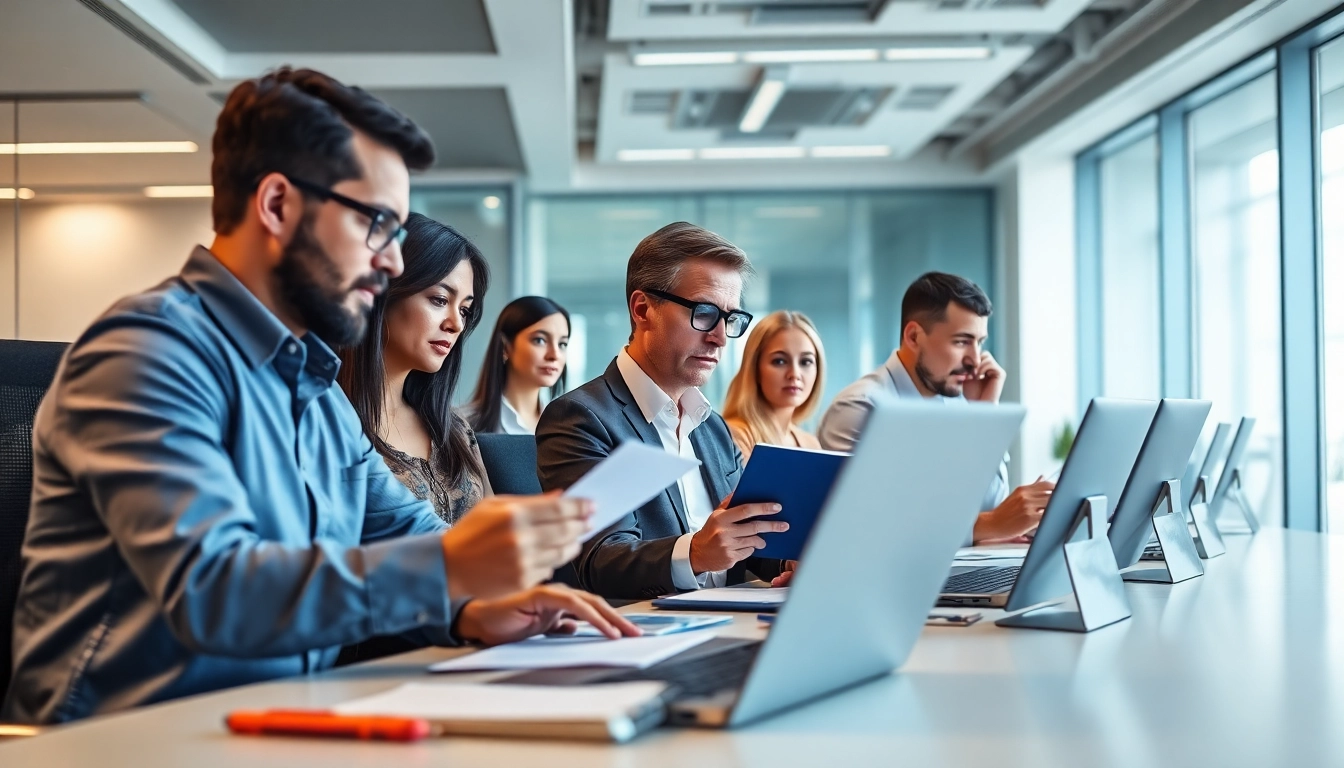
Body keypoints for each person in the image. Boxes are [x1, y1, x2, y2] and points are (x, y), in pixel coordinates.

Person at [2, 68, 635, 726]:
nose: (392, 261)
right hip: (130, 741)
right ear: (277, 205)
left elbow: (402, 531)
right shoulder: (147, 353)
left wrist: (472, 608)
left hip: (278, 722)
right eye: (378, 225)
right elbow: (212, 589)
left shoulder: (314, 386)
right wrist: (449, 568)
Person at [536, 222, 789, 601]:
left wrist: (789, 564)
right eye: (704, 313)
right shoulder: (582, 418)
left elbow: (745, 543)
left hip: (730, 627)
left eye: (730, 318)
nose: (719, 337)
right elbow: (601, 560)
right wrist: (697, 553)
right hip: (645, 637)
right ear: (642, 309)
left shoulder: (712, 427)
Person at [817, 272, 1054, 543]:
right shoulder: (860, 408)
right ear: (914, 336)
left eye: (980, 343)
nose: (975, 360)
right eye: (962, 341)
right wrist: (985, 526)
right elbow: (867, 526)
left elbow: (991, 504)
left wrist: (982, 415)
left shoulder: (955, 402)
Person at [338, 213, 492, 526]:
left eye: (464, 309)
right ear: (384, 292)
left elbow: (495, 534)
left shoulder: (454, 429)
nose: (456, 323)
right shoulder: (327, 422)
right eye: (439, 299)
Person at [722, 310, 826, 462]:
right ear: (755, 369)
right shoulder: (735, 436)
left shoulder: (811, 444)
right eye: (780, 361)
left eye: (806, 362)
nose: (795, 374)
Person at [466, 296, 570, 435]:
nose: (554, 355)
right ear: (505, 347)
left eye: (562, 344)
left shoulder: (566, 427)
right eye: (540, 340)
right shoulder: (464, 425)